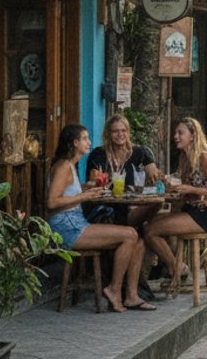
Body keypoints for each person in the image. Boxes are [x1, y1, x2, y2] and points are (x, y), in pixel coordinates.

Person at [45, 124, 153, 312]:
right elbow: (52, 202)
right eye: (85, 138)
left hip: (75, 222)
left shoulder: (71, 164)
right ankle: (113, 289)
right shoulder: (63, 166)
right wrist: (85, 196)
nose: (89, 142)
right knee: (129, 235)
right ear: (75, 142)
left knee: (138, 241)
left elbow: (68, 193)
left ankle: (132, 296)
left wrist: (88, 189)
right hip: (66, 227)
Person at [143, 118, 207, 293]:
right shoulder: (185, 158)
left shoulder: (205, 157)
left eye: (180, 133)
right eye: (175, 133)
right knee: (149, 225)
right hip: (188, 211)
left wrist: (191, 189)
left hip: (202, 215)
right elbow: (180, 184)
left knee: (151, 231)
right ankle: (173, 268)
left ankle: (177, 268)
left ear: (192, 135)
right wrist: (167, 180)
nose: (175, 136)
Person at [85, 114, 163, 227]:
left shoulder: (140, 153)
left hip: (133, 206)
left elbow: (154, 174)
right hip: (106, 208)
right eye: (115, 131)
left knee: (157, 204)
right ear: (108, 133)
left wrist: (155, 174)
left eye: (123, 130)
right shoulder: (98, 154)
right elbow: (93, 179)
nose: (120, 135)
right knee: (139, 240)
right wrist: (98, 178)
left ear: (128, 132)